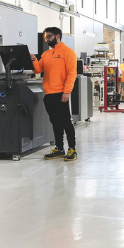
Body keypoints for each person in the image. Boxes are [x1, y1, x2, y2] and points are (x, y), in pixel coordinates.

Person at [30, 27, 78, 161]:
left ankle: (72, 149)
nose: (46, 39)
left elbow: (72, 73)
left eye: (49, 36)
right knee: (55, 122)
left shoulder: (68, 52)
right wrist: (33, 60)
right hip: (49, 94)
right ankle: (59, 148)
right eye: (45, 37)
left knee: (66, 122)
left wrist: (67, 91)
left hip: (61, 93)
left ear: (57, 36)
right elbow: (38, 69)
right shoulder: (46, 54)